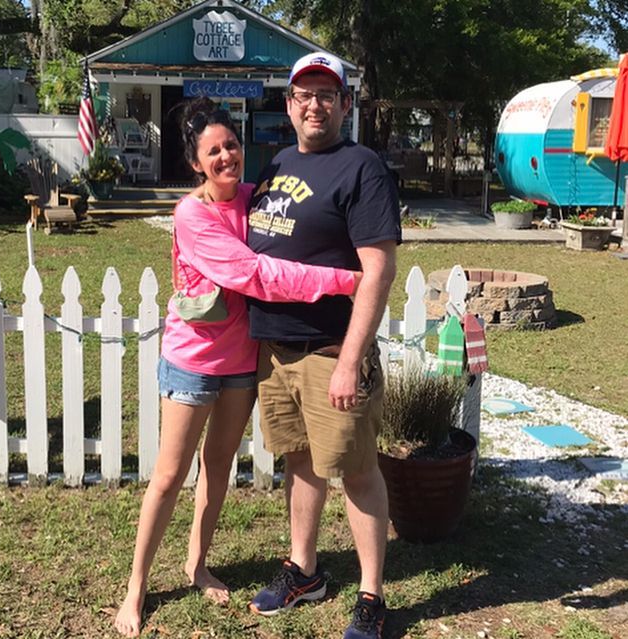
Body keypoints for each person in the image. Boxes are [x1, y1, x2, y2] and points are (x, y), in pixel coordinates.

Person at [114, 97, 364, 638]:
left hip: (243, 359)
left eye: (231, 145)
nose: (226, 156)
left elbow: (306, 227)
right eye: (213, 152)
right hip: (193, 362)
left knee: (218, 468)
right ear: (196, 163)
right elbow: (256, 274)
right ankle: (136, 586)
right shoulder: (192, 215)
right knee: (169, 476)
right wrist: (344, 281)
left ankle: (197, 564)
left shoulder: (256, 198)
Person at [245, 52, 401, 639]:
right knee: (300, 462)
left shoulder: (362, 168)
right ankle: (304, 571)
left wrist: (351, 361)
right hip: (277, 352)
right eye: (304, 94)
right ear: (288, 105)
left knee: (357, 472)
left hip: (331, 352)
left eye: (326, 95)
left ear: (345, 104)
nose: (315, 105)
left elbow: (378, 270)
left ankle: (371, 596)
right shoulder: (278, 163)